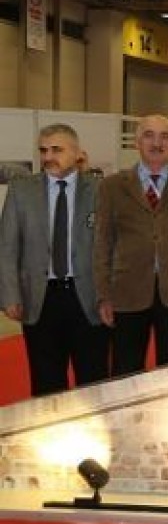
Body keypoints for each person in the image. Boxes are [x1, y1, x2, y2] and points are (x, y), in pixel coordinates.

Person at [93, 114, 168, 377]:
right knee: (126, 371)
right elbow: (102, 242)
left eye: (165, 136)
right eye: (149, 135)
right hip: (127, 292)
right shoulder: (111, 187)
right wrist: (103, 294)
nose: (157, 143)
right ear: (136, 142)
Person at [0, 124, 108, 396]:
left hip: (89, 300)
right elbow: (7, 247)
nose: (48, 157)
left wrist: (110, 295)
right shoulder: (21, 190)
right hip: (40, 301)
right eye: (43, 150)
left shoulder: (101, 190)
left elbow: (113, 249)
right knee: (46, 384)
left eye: (56, 150)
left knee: (94, 381)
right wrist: (10, 295)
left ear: (77, 153)